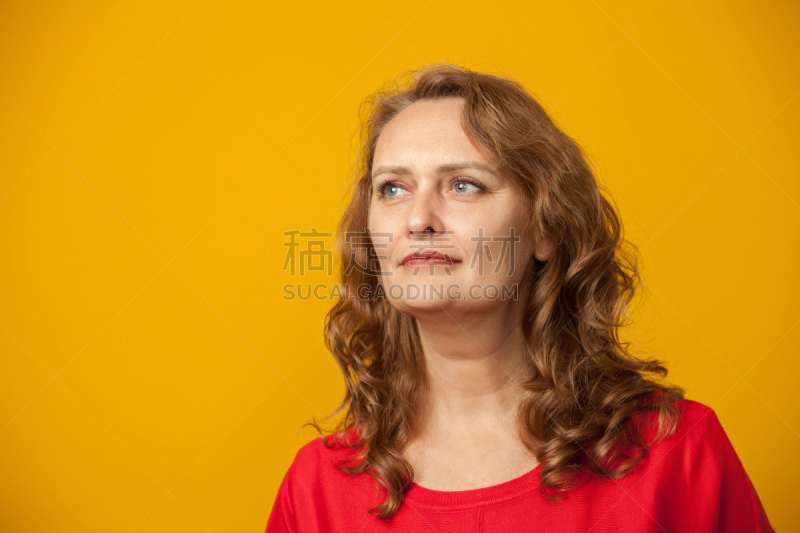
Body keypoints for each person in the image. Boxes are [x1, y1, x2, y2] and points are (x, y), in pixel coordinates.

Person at [265, 64, 774, 532]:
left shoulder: (677, 454)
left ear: (544, 228)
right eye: (392, 189)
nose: (418, 219)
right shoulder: (315, 490)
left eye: (464, 185)